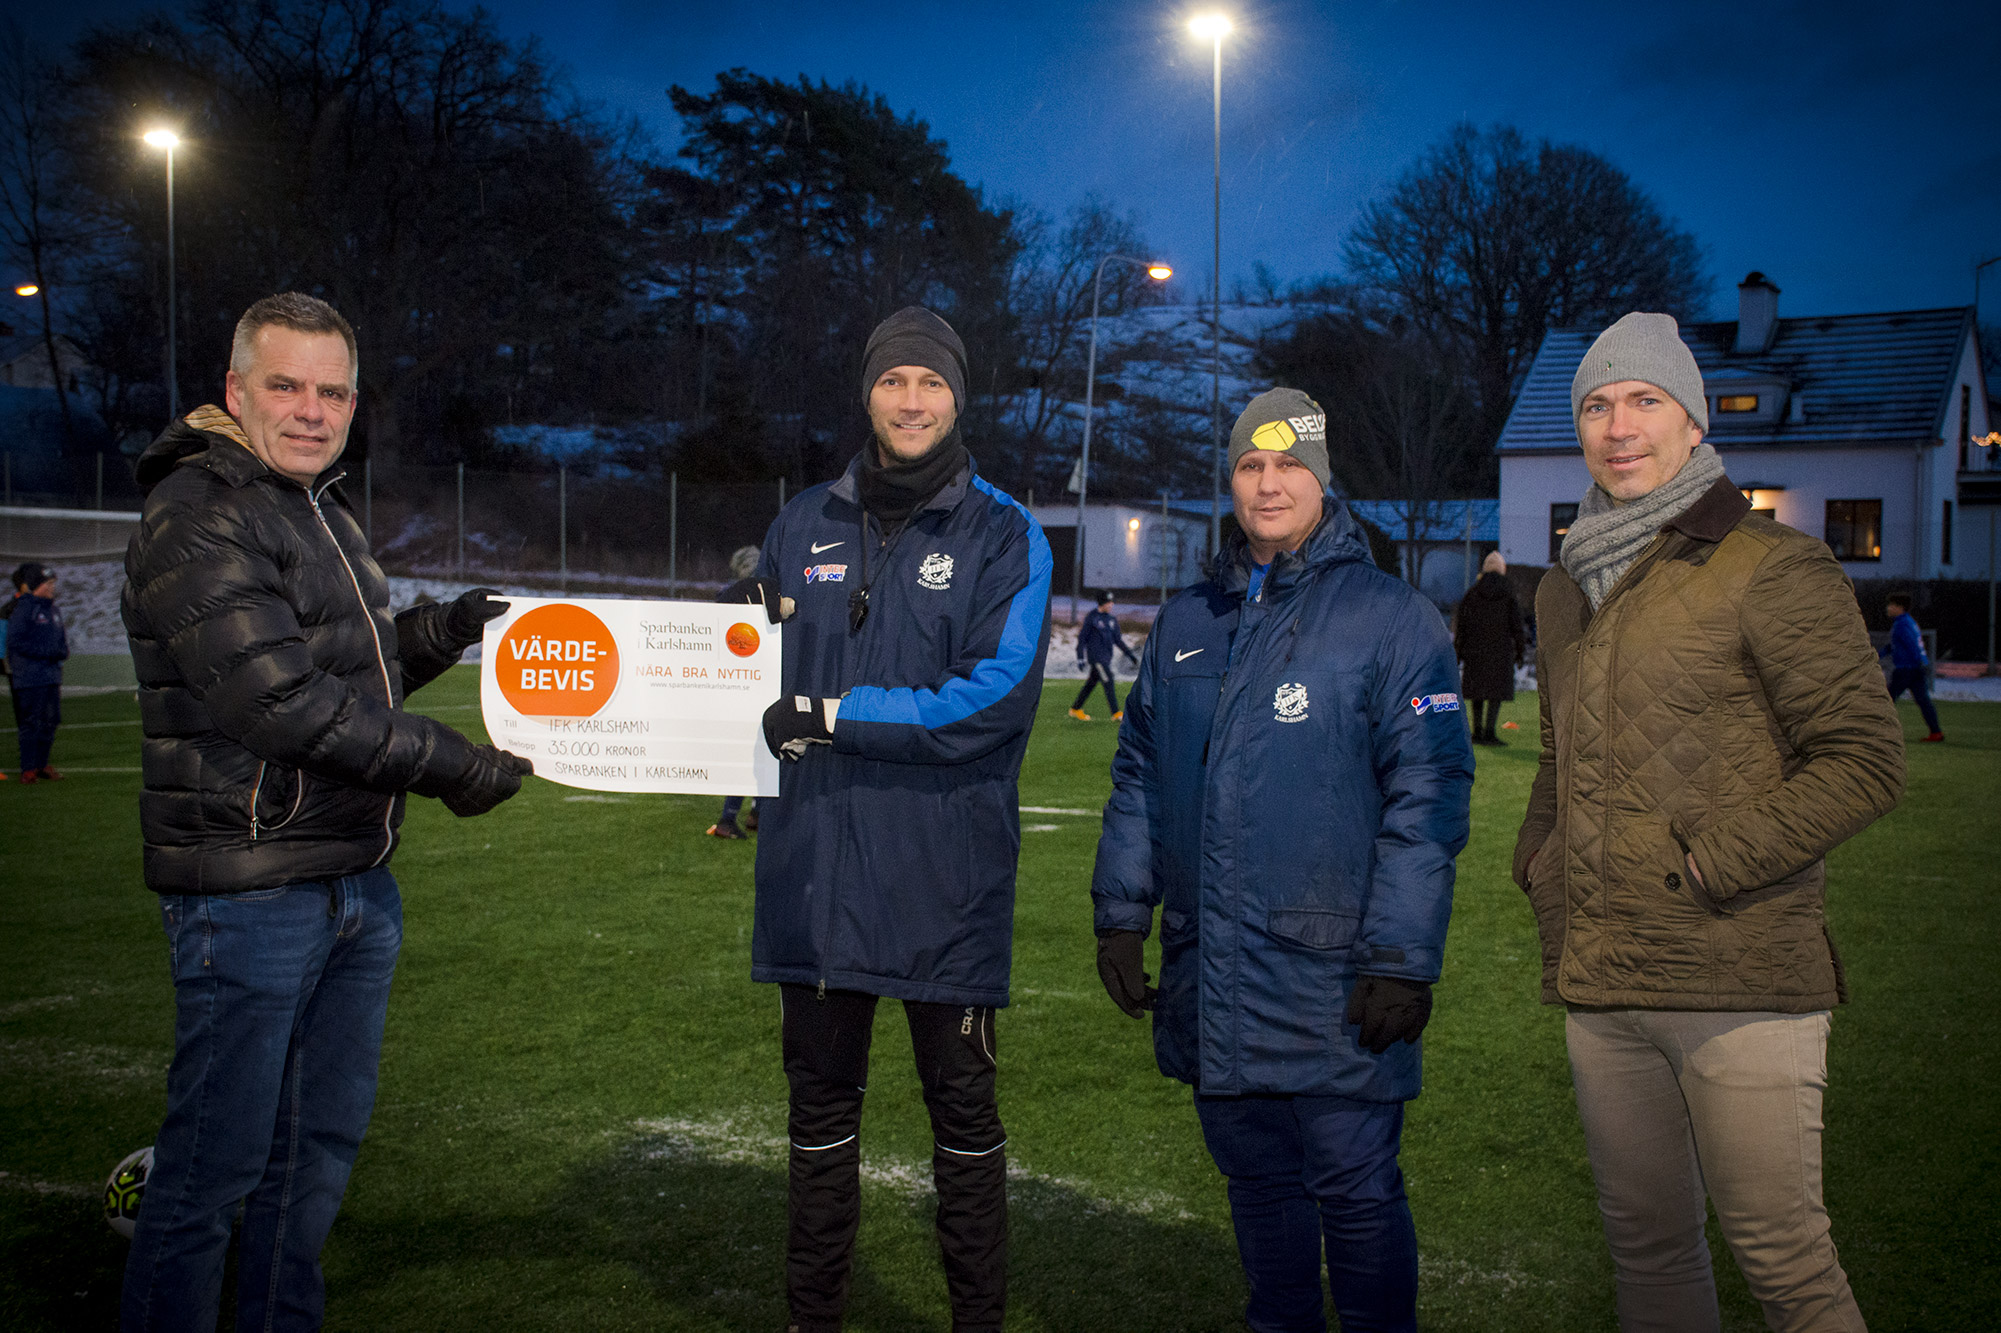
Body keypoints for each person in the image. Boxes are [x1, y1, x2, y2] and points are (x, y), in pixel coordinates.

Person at [119, 292, 533, 1333]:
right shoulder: (201, 508)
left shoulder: (311, 506)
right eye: (287, 386)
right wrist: (450, 765)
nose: (312, 410)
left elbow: (348, 665)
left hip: (350, 877)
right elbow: (280, 700)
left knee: (309, 1168)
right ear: (234, 391)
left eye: (333, 390)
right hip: (252, 888)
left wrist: (440, 629)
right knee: (211, 1177)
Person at [1514, 312, 1904, 1333]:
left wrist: (1707, 866)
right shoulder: (1565, 586)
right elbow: (1560, 756)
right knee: (1648, 1253)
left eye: (1644, 400)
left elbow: (1864, 760)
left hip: (1738, 977)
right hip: (1604, 977)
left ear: (1693, 423)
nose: (1617, 424)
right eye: (1596, 404)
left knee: (1786, 1263)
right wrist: (1542, 865)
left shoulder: (1772, 565)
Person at [1091, 387, 1474, 1333]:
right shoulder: (1187, 620)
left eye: (1289, 464)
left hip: (1333, 977)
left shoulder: (1390, 617)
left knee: (1354, 1192)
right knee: (1258, 1189)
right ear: (1230, 480)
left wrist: (1399, 956)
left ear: (1322, 477)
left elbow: (1428, 797)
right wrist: (1120, 910)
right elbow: (1140, 769)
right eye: (1249, 466)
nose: (1269, 484)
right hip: (1212, 969)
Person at [743, 305, 1051, 1333]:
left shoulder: (1005, 531)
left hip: (942, 883)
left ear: (959, 396)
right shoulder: (800, 524)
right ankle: (810, 1317)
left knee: (964, 1119)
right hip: (816, 878)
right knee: (818, 1121)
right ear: (866, 393)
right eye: (892, 381)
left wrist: (837, 715)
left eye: (930, 383)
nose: (910, 400)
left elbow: (994, 698)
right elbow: (749, 679)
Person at [708, 543, 766, 839]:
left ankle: (749, 812)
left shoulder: (726, 597)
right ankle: (734, 817)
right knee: (760, 749)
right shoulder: (765, 595)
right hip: (758, 679)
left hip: (734, 682)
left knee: (750, 749)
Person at [1453, 550, 1526, 746]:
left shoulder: (1472, 594)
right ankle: (1489, 732)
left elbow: (1462, 626)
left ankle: (1476, 731)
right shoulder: (1509, 595)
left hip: (1475, 652)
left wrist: (1458, 652)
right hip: (1500, 652)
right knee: (1495, 694)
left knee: (1477, 694)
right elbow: (1516, 626)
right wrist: (1520, 652)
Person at [6, 560, 68, 781]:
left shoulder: (54, 610)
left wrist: (62, 651)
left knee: (50, 721)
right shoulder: (24, 609)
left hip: (51, 675)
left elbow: (60, 640)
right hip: (31, 678)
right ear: (35, 586)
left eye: (52, 583)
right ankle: (28, 768)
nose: (51, 587)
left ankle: (42, 765)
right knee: (31, 723)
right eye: (47, 583)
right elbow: (15, 642)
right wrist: (46, 652)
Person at [1879, 592, 1943, 742]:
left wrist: (1917, 663)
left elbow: (1911, 645)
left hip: (1906, 669)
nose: (1888, 608)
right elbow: (1897, 645)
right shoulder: (1909, 622)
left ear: (1900, 607)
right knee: (1923, 701)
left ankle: (1876, 733)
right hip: (1915, 668)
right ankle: (1936, 732)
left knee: (1886, 699)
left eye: (1891, 605)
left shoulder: (1901, 624)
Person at [1068, 590, 1138, 721]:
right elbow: (1082, 638)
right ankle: (1116, 713)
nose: (1111, 605)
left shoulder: (1111, 620)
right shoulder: (1092, 618)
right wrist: (1080, 657)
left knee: (1091, 683)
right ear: (1102, 603)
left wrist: (1130, 655)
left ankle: (1075, 709)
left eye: (1112, 602)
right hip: (1097, 658)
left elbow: (1118, 640)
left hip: (1106, 658)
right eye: (1108, 602)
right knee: (1108, 680)